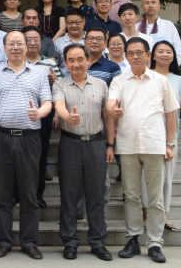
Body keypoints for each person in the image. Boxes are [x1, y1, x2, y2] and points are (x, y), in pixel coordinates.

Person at [107, 37, 179, 263]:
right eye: (131, 53)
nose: (135, 56)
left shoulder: (161, 81)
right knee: (131, 196)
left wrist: (170, 144)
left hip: (154, 145)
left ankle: (155, 243)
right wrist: (113, 110)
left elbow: (170, 114)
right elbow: (111, 102)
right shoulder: (119, 81)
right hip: (128, 145)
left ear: (148, 55)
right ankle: (133, 239)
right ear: (126, 57)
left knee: (155, 197)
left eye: (140, 52)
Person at [0, 30, 52, 260]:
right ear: (4, 47)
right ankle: (3, 241)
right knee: (2, 193)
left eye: (19, 43)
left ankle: (29, 241)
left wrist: (39, 113)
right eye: (11, 43)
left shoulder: (39, 73)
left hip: (29, 139)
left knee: (29, 194)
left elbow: (48, 102)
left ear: (27, 45)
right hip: (0, 137)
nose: (15, 47)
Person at [53, 43, 115, 261]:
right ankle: (70, 242)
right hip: (70, 143)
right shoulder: (60, 84)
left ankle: (97, 242)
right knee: (69, 195)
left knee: (96, 196)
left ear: (88, 60)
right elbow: (58, 105)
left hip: (96, 145)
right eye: (70, 60)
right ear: (65, 63)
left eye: (80, 59)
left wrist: (110, 145)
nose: (76, 64)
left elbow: (107, 117)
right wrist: (66, 117)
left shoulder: (101, 85)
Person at [148, 41, 181, 231]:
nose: (164, 54)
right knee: (147, 177)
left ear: (174, 56)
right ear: (153, 55)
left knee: (167, 178)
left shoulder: (179, 80)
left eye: (169, 51)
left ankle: (164, 216)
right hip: (148, 133)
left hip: (170, 135)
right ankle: (146, 215)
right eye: (160, 51)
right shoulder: (146, 76)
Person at [21, 26, 61, 205]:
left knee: (41, 152)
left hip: (44, 113)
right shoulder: (16, 62)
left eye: (36, 39)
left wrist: (54, 82)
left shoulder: (50, 64)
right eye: (28, 39)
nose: (32, 42)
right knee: (20, 154)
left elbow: (59, 91)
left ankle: (38, 194)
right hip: (21, 114)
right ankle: (18, 192)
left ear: (42, 42)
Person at [138, 0, 181, 65]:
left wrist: (172, 68)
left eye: (153, 2)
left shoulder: (168, 25)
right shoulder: (136, 27)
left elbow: (178, 50)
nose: (150, 5)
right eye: (147, 3)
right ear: (142, 7)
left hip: (165, 68)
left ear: (159, 6)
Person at [55, 8, 87, 77]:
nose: (74, 25)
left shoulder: (91, 40)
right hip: (64, 81)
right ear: (65, 22)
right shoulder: (58, 42)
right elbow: (55, 66)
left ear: (84, 21)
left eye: (77, 22)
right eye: (70, 22)